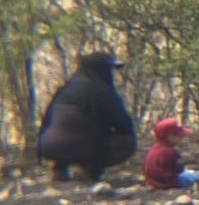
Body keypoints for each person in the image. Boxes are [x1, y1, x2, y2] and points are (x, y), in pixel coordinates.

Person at [37, 51, 137, 182]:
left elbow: (47, 122)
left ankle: (60, 167)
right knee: (127, 141)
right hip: (80, 147)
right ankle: (90, 169)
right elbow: (124, 124)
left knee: (76, 131)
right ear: (101, 70)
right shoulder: (102, 91)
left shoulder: (65, 89)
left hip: (49, 147)